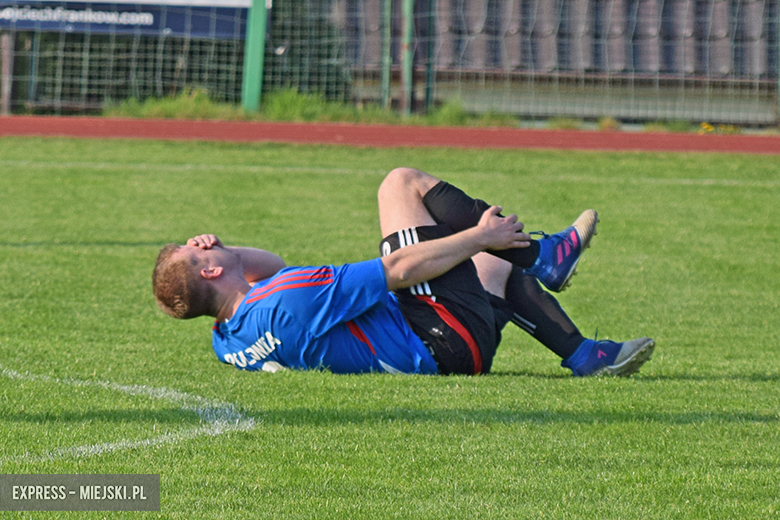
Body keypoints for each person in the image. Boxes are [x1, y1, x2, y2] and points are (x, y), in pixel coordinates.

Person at [152, 167, 654, 376]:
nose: (203, 243)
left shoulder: (228, 340)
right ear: (211, 273)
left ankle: (583, 354)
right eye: (196, 252)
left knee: (487, 265)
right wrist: (482, 235)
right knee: (400, 184)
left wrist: (222, 253)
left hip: (443, 350)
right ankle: (542, 255)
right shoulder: (289, 298)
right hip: (439, 337)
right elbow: (399, 268)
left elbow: (270, 270)